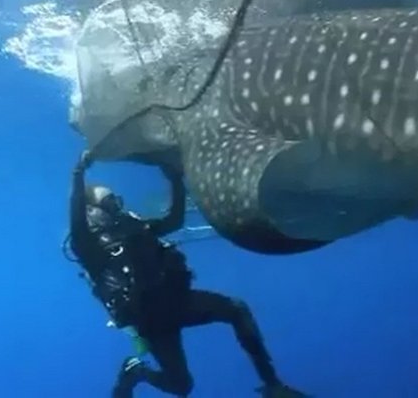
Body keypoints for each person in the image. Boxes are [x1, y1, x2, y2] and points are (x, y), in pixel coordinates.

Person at [69, 150, 307, 398]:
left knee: (236, 309)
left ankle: (273, 385)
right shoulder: (86, 244)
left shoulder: (134, 226)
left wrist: (175, 180)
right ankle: (135, 372)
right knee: (181, 386)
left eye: (117, 200)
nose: (117, 205)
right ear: (92, 210)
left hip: (176, 300)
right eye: (109, 203)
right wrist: (79, 172)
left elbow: (175, 221)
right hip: (149, 318)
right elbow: (76, 213)